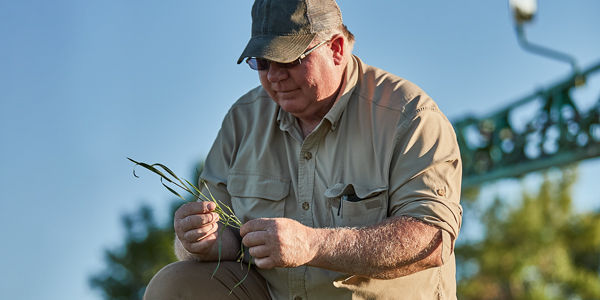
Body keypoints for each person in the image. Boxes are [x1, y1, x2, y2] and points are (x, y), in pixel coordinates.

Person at [144, 0, 462, 299]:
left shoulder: (409, 116)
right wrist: (198, 242)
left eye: (288, 59)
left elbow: (431, 239)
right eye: (262, 62)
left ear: (336, 49)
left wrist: (312, 245)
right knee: (176, 284)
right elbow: (222, 240)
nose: (274, 76)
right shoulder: (242, 121)